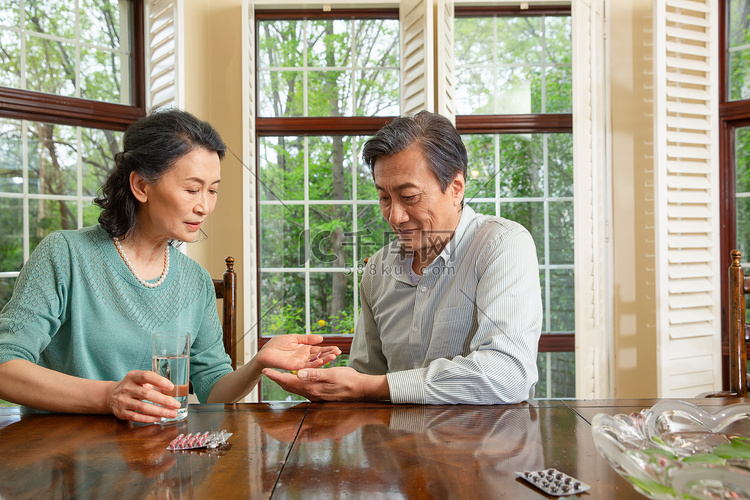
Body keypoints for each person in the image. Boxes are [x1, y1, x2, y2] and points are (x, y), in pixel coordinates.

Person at [0, 109, 340, 422]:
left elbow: (212, 389)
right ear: (141, 186)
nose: (205, 206)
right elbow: (5, 365)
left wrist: (258, 363)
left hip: (156, 462)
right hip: (63, 460)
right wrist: (108, 396)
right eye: (192, 189)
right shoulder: (66, 254)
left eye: (212, 191)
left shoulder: (195, 280)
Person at [263, 110, 542, 404]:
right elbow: (365, 377)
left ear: (456, 188)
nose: (395, 216)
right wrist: (327, 387)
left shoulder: (502, 245)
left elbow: (509, 374)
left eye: (409, 197)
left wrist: (370, 387)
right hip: (393, 445)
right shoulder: (378, 270)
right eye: (384, 198)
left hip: (485, 445)